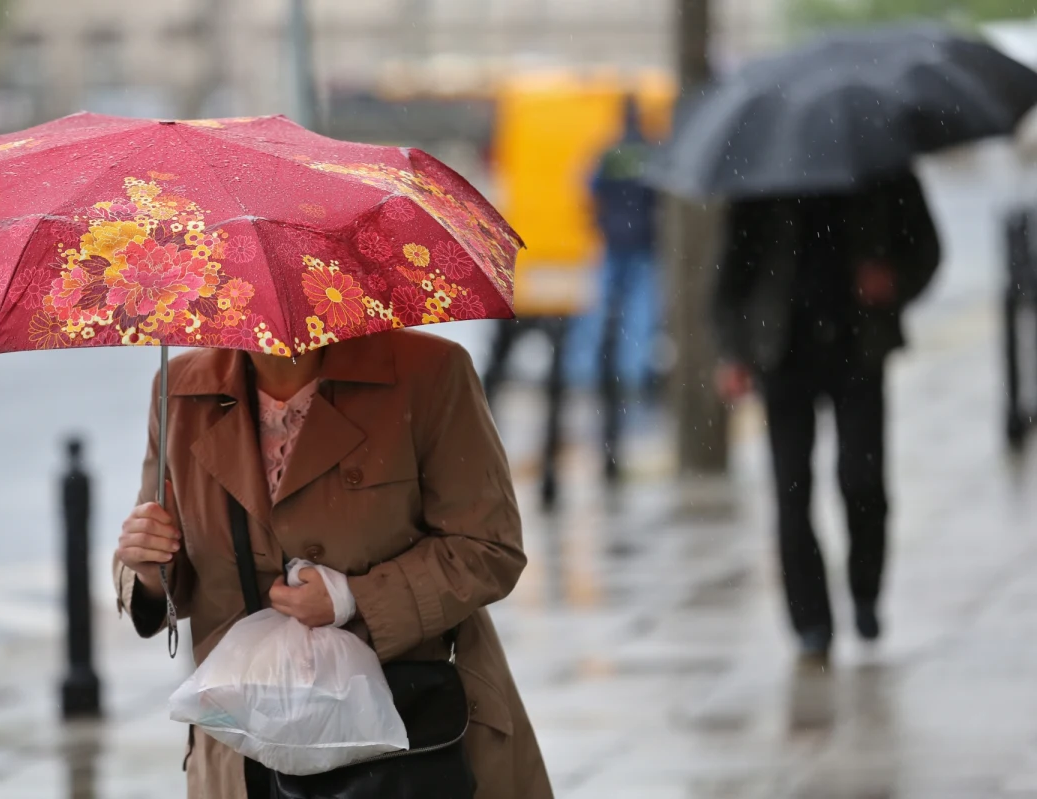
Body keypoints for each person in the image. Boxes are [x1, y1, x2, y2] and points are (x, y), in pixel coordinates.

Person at [113, 330, 554, 799]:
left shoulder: (428, 371)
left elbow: (488, 544)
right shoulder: (179, 391)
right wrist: (144, 567)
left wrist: (353, 599)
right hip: (243, 754)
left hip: (407, 740)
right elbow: (163, 568)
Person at [712, 170, 940, 661]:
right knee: (791, 492)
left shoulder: (881, 165)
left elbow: (925, 248)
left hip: (858, 347)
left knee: (862, 479)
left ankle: (865, 592)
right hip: (783, 353)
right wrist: (733, 351)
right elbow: (733, 270)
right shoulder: (761, 172)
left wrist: (893, 279)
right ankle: (811, 621)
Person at [585, 94, 660, 483]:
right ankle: (636, 377)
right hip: (644, 246)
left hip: (615, 244)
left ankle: (602, 370)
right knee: (642, 318)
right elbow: (661, 197)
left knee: (604, 318)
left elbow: (590, 190)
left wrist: (602, 223)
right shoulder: (650, 151)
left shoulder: (609, 152)